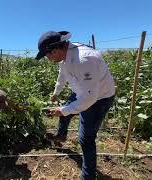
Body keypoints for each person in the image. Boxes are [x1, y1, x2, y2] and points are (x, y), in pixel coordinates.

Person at [35, 31, 115, 179]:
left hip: (98, 99)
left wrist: (64, 110)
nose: (48, 58)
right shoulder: (65, 57)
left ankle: (88, 176)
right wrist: (56, 92)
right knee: (65, 111)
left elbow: (89, 99)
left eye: (47, 55)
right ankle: (61, 135)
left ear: (55, 50)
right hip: (83, 91)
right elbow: (62, 75)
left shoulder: (85, 60)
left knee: (86, 139)